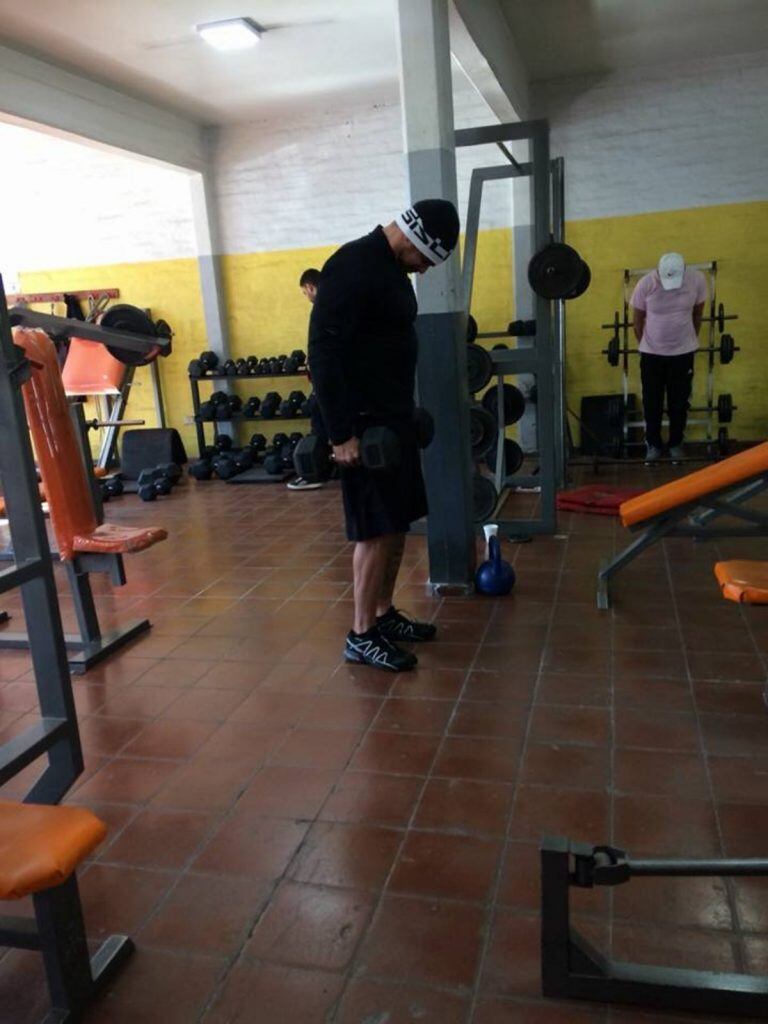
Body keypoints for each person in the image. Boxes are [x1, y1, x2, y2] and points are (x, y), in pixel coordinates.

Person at [309, 198, 460, 672]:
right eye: (426, 260)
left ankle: (382, 612)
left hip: (391, 419)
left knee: (397, 521)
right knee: (374, 530)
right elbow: (324, 354)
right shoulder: (352, 265)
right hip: (362, 425)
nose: (423, 270)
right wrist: (340, 436)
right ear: (414, 240)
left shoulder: (388, 269)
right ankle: (361, 634)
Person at [631, 252, 708, 463]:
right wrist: (646, 345)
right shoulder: (646, 284)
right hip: (651, 355)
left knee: (679, 401)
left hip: (683, 353)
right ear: (659, 272)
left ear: (685, 271)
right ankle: (653, 445)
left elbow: (698, 314)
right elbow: (637, 320)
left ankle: (675, 443)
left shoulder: (697, 280)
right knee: (652, 401)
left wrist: (688, 340)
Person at [287, 268, 330, 491]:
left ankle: (315, 474)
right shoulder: (333, 304)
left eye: (305, 293)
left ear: (310, 287)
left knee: (318, 420)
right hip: (331, 380)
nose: (307, 297)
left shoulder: (323, 309)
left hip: (329, 381)